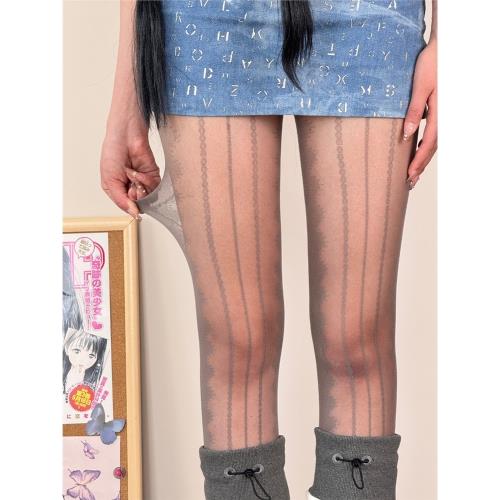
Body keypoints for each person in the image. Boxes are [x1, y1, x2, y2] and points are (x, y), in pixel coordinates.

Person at [100, 1, 437, 498]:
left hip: (369, 15)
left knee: (357, 336)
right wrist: (127, 95)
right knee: (236, 339)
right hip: (203, 18)